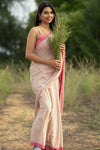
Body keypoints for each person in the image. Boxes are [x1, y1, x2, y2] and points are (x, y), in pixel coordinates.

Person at [25, 1, 65, 150]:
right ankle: (37, 144)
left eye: (51, 13)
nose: (49, 15)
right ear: (39, 14)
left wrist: (62, 49)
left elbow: (58, 59)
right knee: (47, 107)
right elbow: (28, 55)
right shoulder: (35, 31)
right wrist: (49, 62)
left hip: (52, 75)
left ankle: (46, 143)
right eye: (46, 12)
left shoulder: (56, 34)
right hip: (39, 74)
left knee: (52, 110)